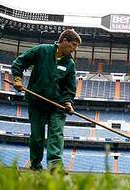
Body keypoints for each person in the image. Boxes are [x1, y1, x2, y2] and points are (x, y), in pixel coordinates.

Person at [11, 29, 81, 172]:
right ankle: (35, 165)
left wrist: (68, 102)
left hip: (58, 106)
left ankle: (55, 167)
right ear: (64, 41)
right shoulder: (42, 50)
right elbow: (20, 62)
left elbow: (70, 87)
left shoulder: (70, 64)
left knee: (56, 135)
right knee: (37, 137)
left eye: (76, 46)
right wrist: (17, 78)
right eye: (73, 45)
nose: (74, 49)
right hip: (37, 102)